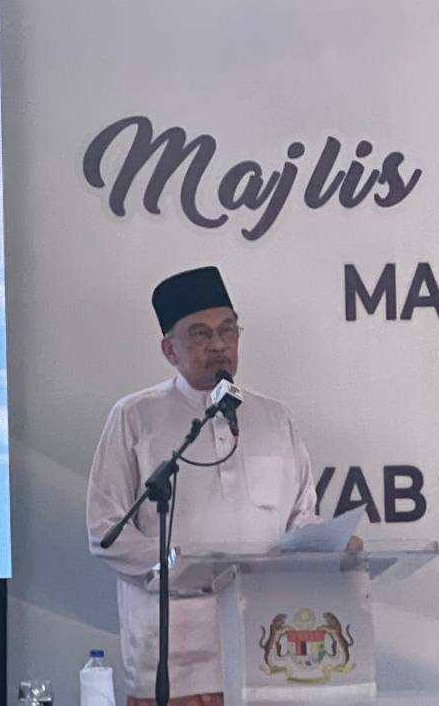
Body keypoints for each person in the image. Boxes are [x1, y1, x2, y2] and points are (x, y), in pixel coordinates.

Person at [86, 266, 358, 706]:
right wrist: (176, 567)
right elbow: (106, 529)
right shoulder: (135, 417)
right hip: (174, 660)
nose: (218, 344)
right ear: (169, 350)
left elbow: (299, 516)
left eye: (227, 330)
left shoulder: (275, 418)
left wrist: (331, 543)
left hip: (271, 651)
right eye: (199, 333)